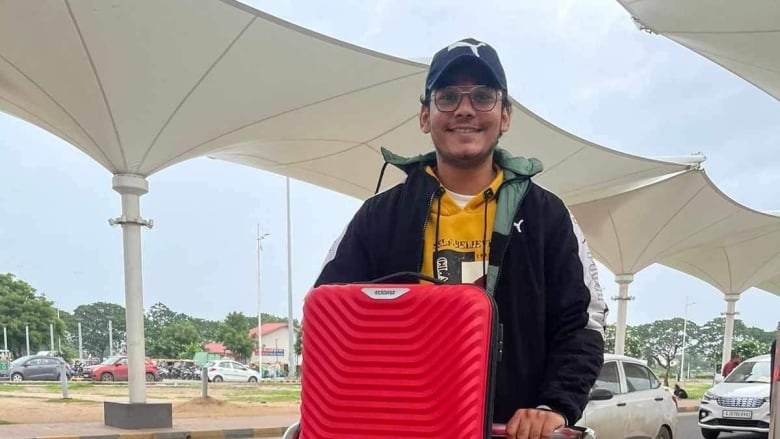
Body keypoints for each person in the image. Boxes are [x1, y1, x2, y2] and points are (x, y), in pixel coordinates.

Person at [314, 37, 607, 439]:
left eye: (483, 96)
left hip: (508, 432)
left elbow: (582, 324)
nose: (465, 109)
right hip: (401, 428)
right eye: (448, 96)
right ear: (424, 116)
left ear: (505, 115)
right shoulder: (378, 216)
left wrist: (553, 406)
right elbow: (330, 319)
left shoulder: (547, 216)